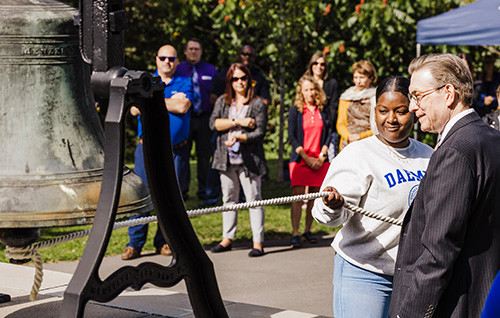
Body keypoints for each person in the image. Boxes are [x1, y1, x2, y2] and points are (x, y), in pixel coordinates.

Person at [389, 53, 500, 317]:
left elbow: (438, 252)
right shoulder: (491, 138)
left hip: (458, 303)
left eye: (418, 95)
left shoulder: (456, 151)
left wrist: (411, 314)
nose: (413, 106)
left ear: (448, 93)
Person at [312, 76, 433, 317]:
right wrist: (333, 205)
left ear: (413, 110)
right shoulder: (357, 154)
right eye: (383, 110)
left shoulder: (429, 155)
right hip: (364, 273)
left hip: (412, 275)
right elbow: (324, 215)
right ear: (374, 111)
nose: (391, 119)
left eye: (400, 111)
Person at [122, 44, 194, 260]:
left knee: (173, 197)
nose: (167, 62)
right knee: (141, 195)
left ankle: (165, 241)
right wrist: (170, 101)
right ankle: (134, 244)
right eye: (163, 58)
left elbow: (183, 107)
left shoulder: (185, 81)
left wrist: (152, 102)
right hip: (147, 149)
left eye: (171, 58)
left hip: (176, 151)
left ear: (177, 61)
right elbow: (134, 108)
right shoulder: (145, 80)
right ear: (156, 60)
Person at [209, 63, 268, 257]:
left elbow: (260, 132)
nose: (239, 82)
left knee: (253, 199)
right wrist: (238, 122)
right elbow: (214, 124)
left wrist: (239, 136)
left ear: (249, 80)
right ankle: (227, 238)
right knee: (228, 199)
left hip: (249, 159)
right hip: (226, 159)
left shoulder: (257, 103)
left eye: (243, 78)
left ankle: (257, 242)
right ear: (230, 82)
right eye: (235, 79)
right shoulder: (223, 101)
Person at [288, 75, 331, 248]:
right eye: (306, 89)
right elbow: (292, 137)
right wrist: (306, 158)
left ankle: (307, 230)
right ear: (301, 91)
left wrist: (322, 156)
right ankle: (295, 233)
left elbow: (329, 133)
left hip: (319, 160)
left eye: (312, 89)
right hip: (301, 159)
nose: (310, 93)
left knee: (314, 198)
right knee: (297, 198)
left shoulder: (323, 109)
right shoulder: (296, 110)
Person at [176, 38, 220, 206]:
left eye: (197, 49)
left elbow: (216, 94)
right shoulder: (179, 70)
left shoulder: (210, 70)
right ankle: (182, 190)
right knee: (183, 155)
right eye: (191, 49)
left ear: (201, 52)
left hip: (204, 119)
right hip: (185, 118)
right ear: (185, 52)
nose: (194, 52)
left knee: (204, 156)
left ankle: (204, 190)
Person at [304, 52, 339, 157]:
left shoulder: (332, 84)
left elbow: (333, 107)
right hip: (309, 128)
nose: (319, 66)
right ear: (311, 65)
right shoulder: (305, 82)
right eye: (316, 63)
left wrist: (328, 127)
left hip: (327, 127)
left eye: (322, 64)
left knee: (329, 160)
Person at [336, 60, 378, 151]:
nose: (358, 81)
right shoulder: (346, 96)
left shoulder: (376, 97)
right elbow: (341, 124)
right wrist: (349, 137)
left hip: (369, 143)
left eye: (362, 77)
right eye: (356, 77)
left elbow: (378, 126)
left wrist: (360, 136)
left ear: (370, 78)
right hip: (348, 143)